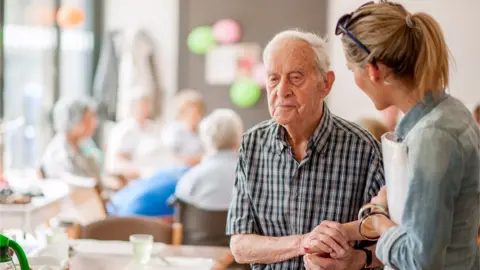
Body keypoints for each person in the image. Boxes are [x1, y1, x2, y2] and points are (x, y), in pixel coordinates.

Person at [318, 1, 480, 270]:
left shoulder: (432, 137)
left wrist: (380, 218)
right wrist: (347, 230)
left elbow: (420, 260)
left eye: (351, 70)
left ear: (373, 70)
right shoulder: (451, 112)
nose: (355, 79)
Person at [226, 29, 385, 269]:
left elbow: (390, 241)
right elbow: (240, 246)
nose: (281, 90)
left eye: (296, 77)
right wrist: (305, 243)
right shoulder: (252, 144)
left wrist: (355, 261)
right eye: (273, 78)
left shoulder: (364, 148)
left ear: (326, 84)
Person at [175, 108, 243, 211]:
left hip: (197, 227)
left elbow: (180, 215)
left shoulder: (191, 178)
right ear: (239, 139)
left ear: (206, 140)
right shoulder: (251, 177)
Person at [41, 96, 102, 179]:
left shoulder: (84, 144)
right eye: (88, 120)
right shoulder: (59, 154)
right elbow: (72, 187)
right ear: (74, 121)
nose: (94, 124)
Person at [106, 88, 161, 180]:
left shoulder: (154, 127)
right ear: (133, 107)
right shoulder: (124, 130)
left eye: (147, 105)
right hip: (140, 179)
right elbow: (118, 162)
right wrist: (143, 172)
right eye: (142, 106)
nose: (145, 109)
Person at [162, 89, 206, 166]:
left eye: (200, 113)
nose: (198, 117)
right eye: (194, 114)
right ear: (183, 113)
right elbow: (172, 159)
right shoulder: (173, 131)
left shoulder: (202, 129)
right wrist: (200, 158)